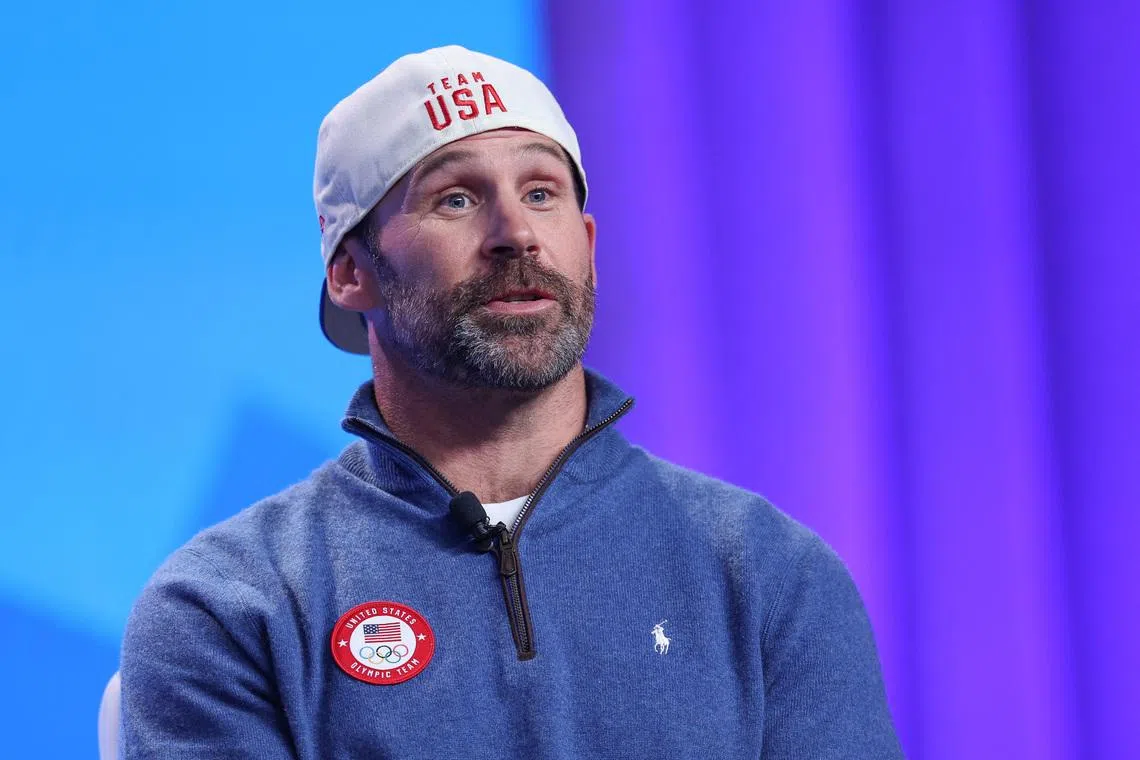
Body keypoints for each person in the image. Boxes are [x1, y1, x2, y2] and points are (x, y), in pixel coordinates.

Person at [120, 45, 904, 759]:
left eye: (540, 191)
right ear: (351, 272)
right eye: (456, 199)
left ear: (587, 248)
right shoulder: (234, 604)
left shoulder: (768, 575)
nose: (516, 233)